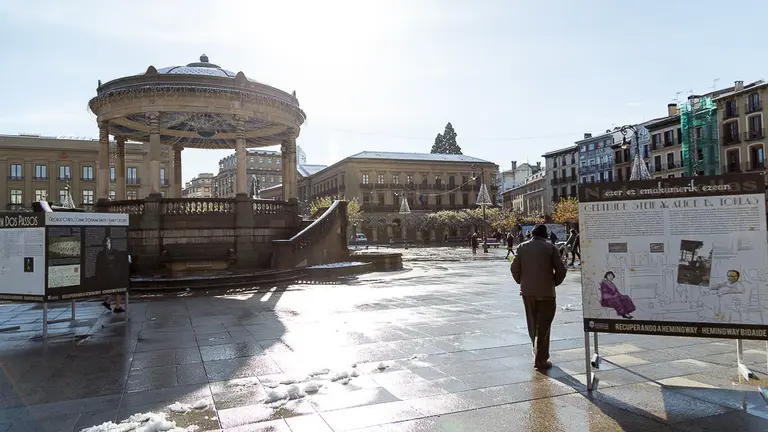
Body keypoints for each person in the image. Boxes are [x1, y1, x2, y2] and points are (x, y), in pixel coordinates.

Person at [511, 224, 567, 370]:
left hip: (528, 293)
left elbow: (514, 268)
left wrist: (522, 282)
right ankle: (541, 359)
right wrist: (554, 282)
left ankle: (536, 350)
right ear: (545, 235)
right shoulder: (550, 248)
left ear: (532, 234)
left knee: (532, 322)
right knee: (544, 325)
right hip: (547, 293)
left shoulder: (522, 247)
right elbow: (561, 269)